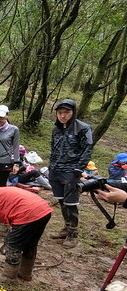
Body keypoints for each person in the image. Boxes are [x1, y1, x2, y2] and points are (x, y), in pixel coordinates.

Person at [48, 98, 93, 249]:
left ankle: (73, 233)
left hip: (71, 171)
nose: (63, 116)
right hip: (56, 170)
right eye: (60, 113)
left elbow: (87, 149)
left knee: (71, 202)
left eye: (66, 112)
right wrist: (51, 167)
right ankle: (66, 227)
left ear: (73, 112)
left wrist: (78, 169)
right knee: (61, 201)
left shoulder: (82, 128)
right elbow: (53, 149)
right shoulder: (56, 129)